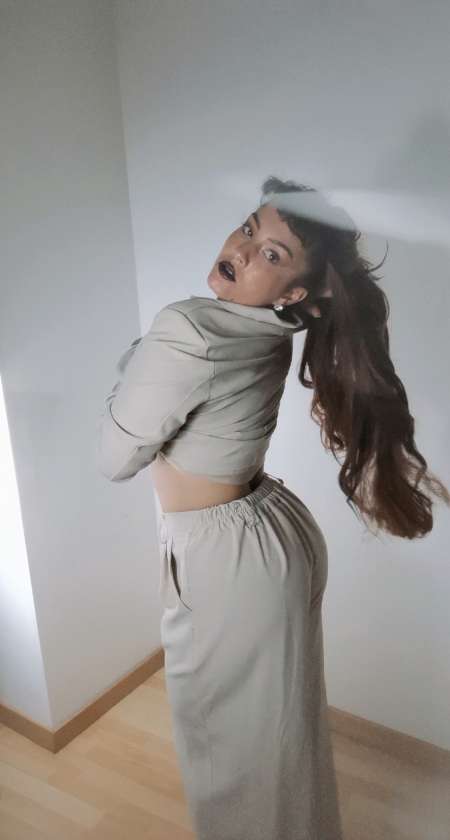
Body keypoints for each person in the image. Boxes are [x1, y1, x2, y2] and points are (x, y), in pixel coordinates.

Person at [96, 176, 449, 840]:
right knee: (279, 749)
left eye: (272, 254)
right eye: (249, 229)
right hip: (270, 533)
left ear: (293, 293)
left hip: (227, 561)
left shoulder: (189, 327)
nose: (242, 248)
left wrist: (136, 362)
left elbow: (114, 456)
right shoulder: (271, 326)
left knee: (232, 765)